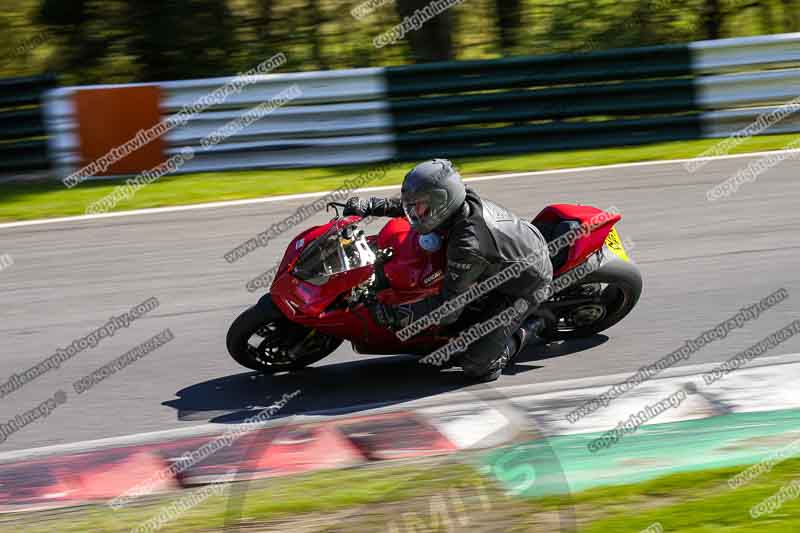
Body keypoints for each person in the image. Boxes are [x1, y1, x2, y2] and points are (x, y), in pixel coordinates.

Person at [343, 159, 553, 382]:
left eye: (419, 206)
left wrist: (395, 314)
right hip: (505, 256)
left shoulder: (467, 245)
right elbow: (413, 207)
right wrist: (370, 206)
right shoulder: (457, 204)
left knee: (478, 366)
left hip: (523, 286)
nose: (413, 212)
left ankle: (530, 327)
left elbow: (448, 309)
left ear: (442, 202)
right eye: (411, 205)